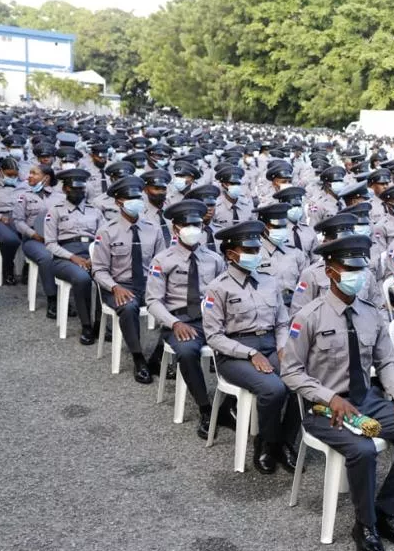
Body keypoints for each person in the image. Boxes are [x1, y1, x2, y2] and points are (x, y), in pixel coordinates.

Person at [280, 234, 394, 551]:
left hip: (369, 400)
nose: (358, 276)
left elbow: (387, 362)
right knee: (363, 449)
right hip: (324, 409)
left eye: (360, 268)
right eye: (350, 269)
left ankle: (385, 511)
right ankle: (365, 525)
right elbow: (290, 372)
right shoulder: (308, 317)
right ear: (331, 270)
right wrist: (329, 397)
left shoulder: (370, 314)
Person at [203, 220, 300, 474]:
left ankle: (286, 441)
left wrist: (281, 348)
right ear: (231, 254)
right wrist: (250, 353)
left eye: (256, 250)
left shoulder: (269, 282)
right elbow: (213, 336)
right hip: (235, 353)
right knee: (273, 389)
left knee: (300, 379)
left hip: (270, 344)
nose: (255, 255)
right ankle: (266, 443)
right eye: (249, 251)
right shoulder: (218, 288)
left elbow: (281, 322)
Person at [145, 199, 227, 439]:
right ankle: (205, 408)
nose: (193, 229)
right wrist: (174, 323)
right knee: (188, 352)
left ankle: (228, 406)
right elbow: (153, 301)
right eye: (186, 224)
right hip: (179, 320)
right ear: (175, 229)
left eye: (197, 224)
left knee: (242, 347)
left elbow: (225, 292)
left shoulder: (214, 259)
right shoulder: (163, 260)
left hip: (210, 319)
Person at [92, 176, 167, 384]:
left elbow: (161, 263)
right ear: (118, 202)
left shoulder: (153, 228)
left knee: (179, 305)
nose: (136, 201)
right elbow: (98, 270)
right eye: (130, 198)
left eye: (138, 197)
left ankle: (158, 357)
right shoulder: (107, 231)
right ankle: (138, 358)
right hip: (119, 285)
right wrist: (114, 287)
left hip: (148, 284)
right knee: (128, 306)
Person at [45, 169, 104, 344]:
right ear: (65, 189)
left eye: (81, 190)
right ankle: (86, 325)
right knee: (82, 278)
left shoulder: (95, 211)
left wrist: (95, 258)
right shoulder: (55, 211)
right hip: (65, 257)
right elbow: (50, 243)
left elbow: (103, 238)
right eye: (73, 189)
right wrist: (73, 257)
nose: (78, 193)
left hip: (92, 252)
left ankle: (101, 324)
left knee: (106, 276)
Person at [12, 165, 62, 317]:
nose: (29, 176)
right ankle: (52, 300)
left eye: (34, 173)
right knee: (46, 257)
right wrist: (33, 234)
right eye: (30, 173)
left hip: (56, 238)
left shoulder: (60, 197)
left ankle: (68, 297)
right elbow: (18, 221)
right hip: (33, 240)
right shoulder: (24, 196)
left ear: (46, 178)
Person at [0, 157, 27, 286]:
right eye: (9, 174)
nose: (12, 177)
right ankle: (8, 268)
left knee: (34, 236)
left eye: (15, 174)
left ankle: (27, 269)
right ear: (0, 171)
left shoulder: (23, 186)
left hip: (17, 218)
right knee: (10, 240)